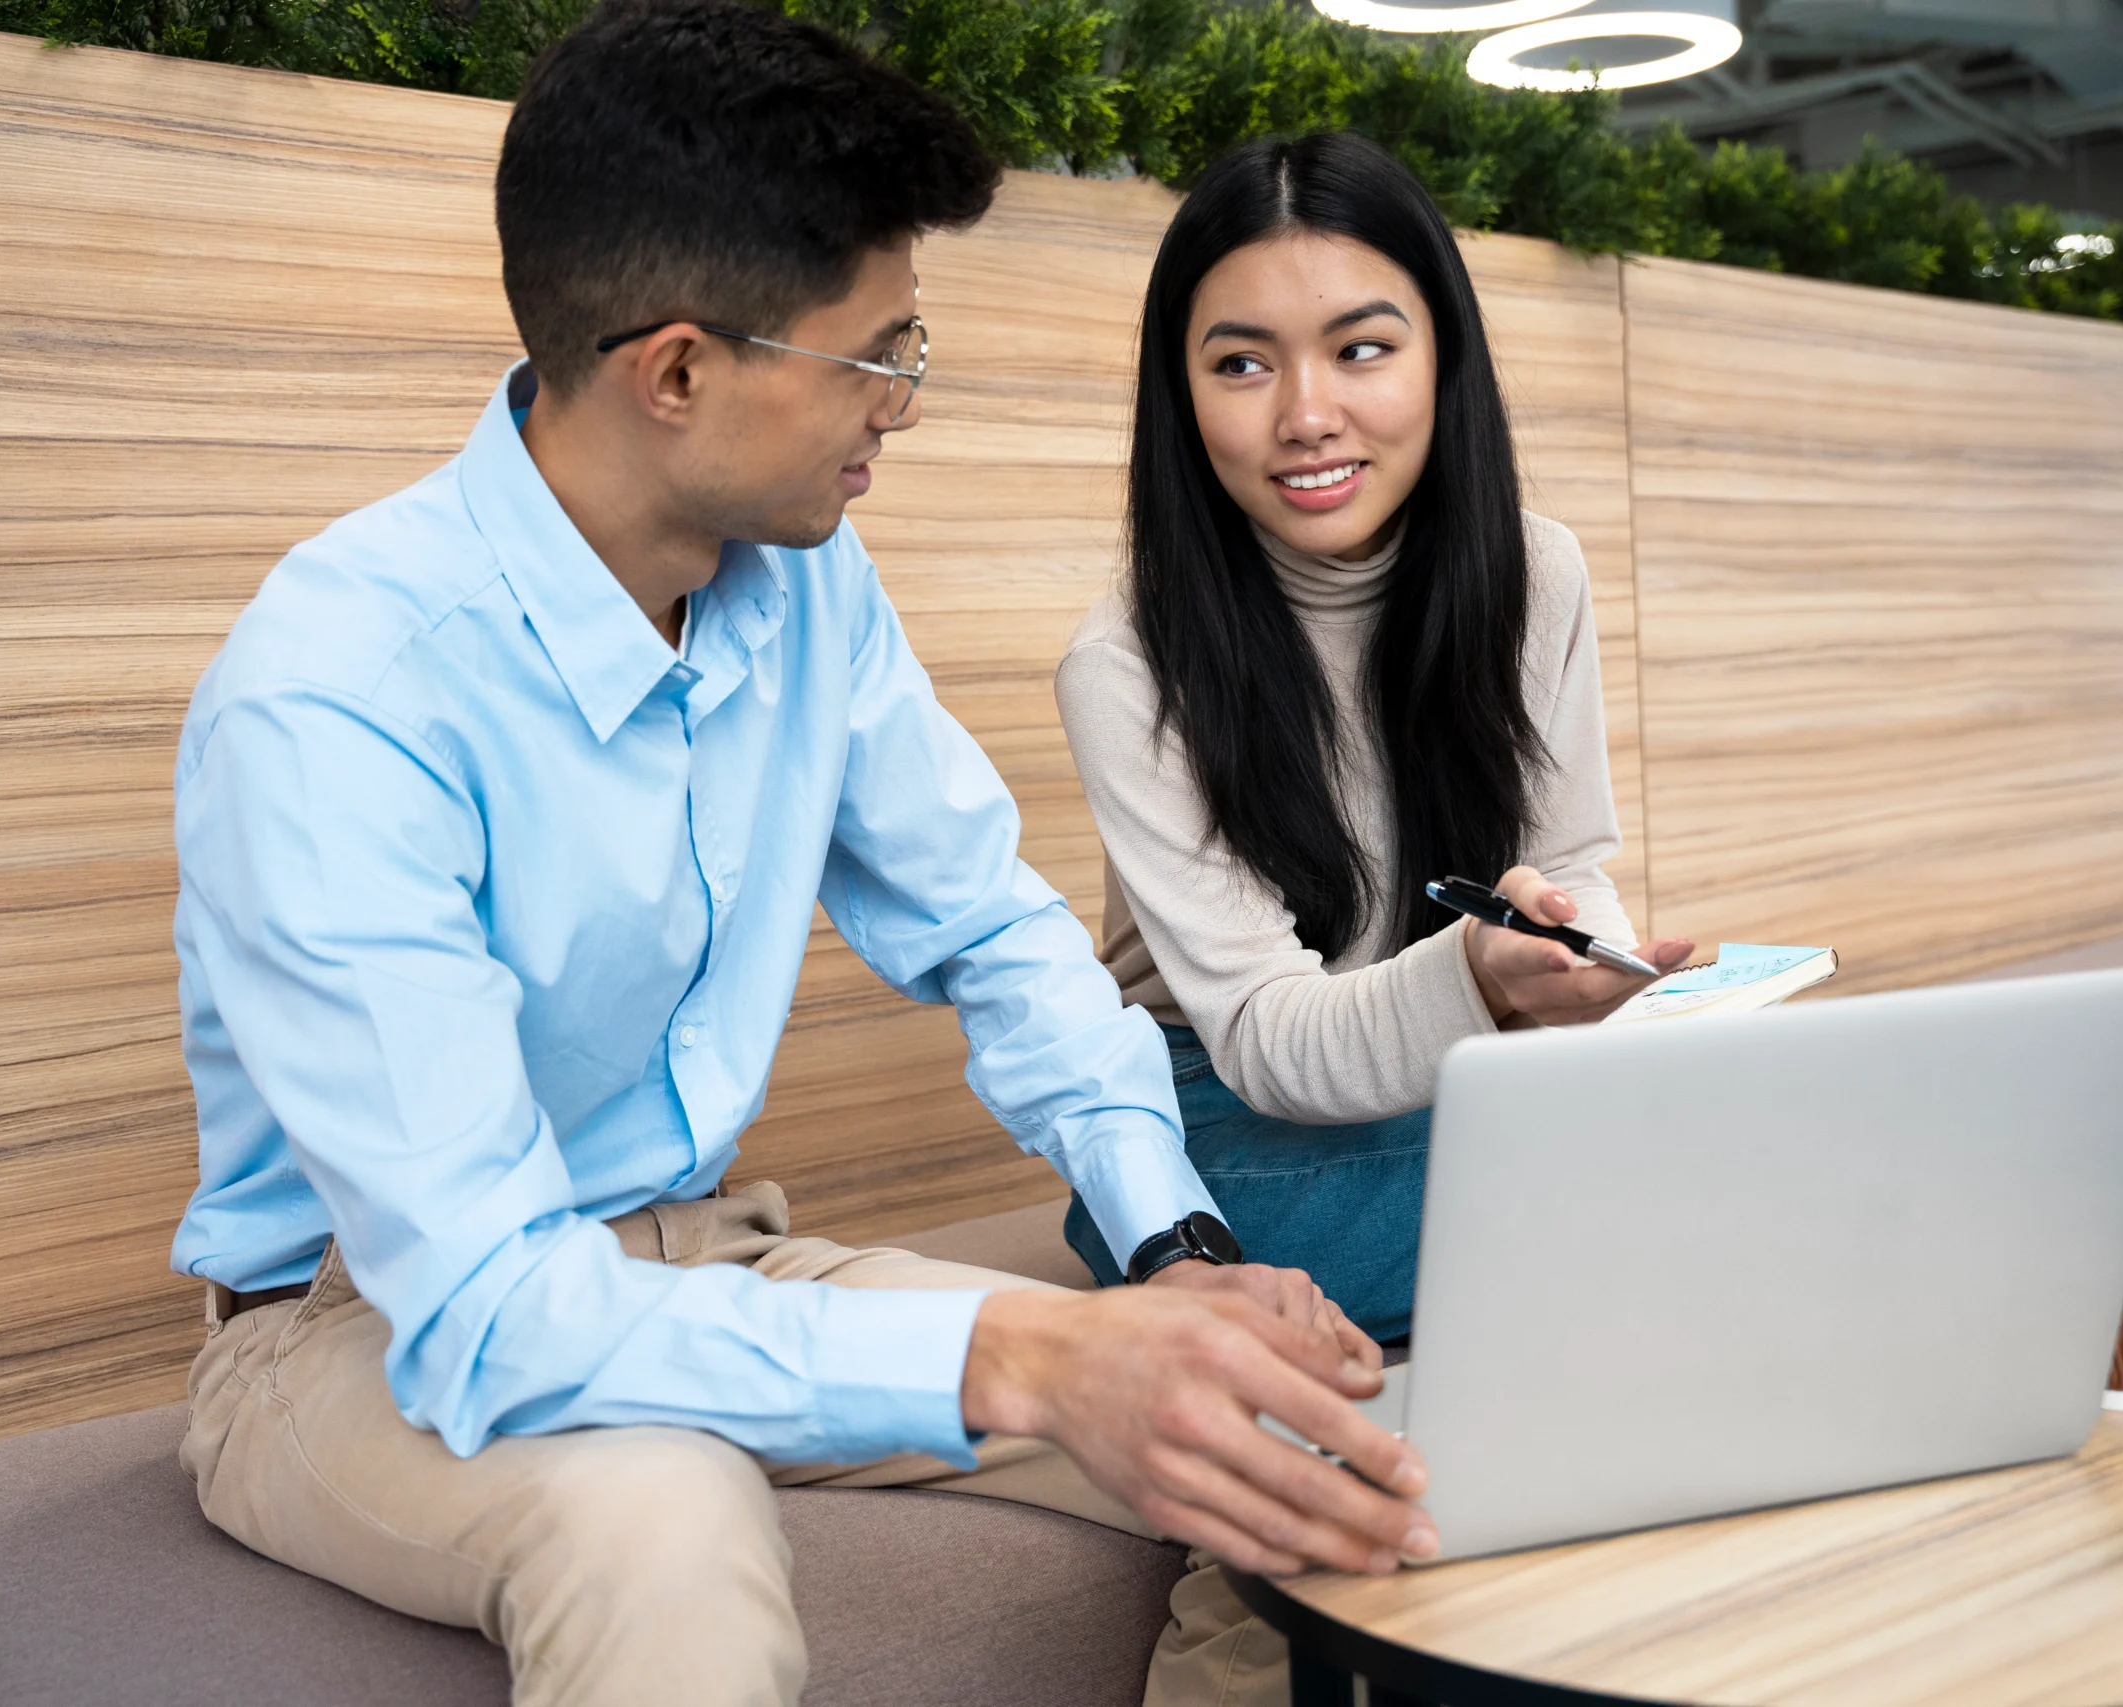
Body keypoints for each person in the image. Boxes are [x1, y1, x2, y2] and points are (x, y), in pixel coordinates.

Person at [165, 10, 1431, 1704]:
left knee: (1301, 1425)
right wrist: (1033, 1352)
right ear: (679, 368)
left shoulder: (808, 581)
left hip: (696, 1241)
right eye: (878, 355)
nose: (902, 408)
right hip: (365, 1328)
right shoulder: (336, 698)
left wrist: (1178, 1260)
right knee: (656, 1512)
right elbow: (483, 1304)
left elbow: (992, 928)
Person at [1055, 134, 1696, 1340]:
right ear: (1179, 396)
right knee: (1656, 1197)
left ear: (1439, 352)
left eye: (1361, 350)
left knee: (1730, 1123)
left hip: (1458, 1068)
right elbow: (1263, 1040)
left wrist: (1592, 966)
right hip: (1213, 1122)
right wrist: (1474, 974)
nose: (1307, 415)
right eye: (1241, 364)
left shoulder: (1536, 573)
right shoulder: (1128, 665)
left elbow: (1566, 872)